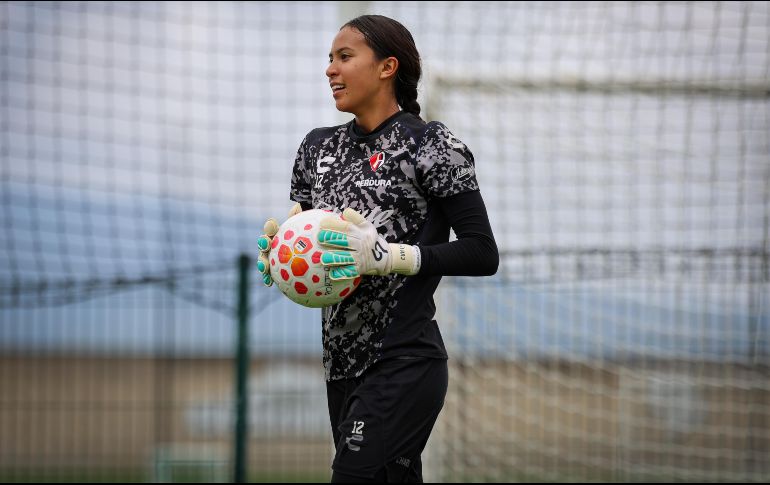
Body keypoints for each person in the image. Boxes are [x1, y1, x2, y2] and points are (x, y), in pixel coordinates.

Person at [256, 14, 498, 483]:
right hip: (340, 367)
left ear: (388, 67)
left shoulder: (430, 144)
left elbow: (482, 251)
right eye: (330, 58)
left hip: (405, 359)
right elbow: (309, 239)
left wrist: (391, 257)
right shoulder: (316, 149)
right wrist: (283, 253)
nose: (330, 68)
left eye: (345, 56)